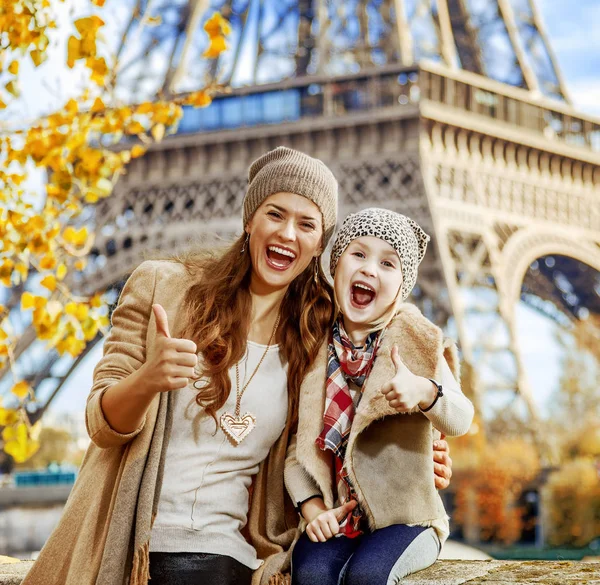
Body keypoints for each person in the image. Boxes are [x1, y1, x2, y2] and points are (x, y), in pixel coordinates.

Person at [22, 149, 452, 585]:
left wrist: (417, 446)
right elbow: (101, 423)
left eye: (306, 224)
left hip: (231, 558)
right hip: (134, 546)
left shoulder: (318, 336)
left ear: (320, 243)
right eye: (275, 214)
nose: (287, 233)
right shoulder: (162, 288)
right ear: (250, 220)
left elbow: (369, 384)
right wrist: (147, 380)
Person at [285, 208, 475, 585]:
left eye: (388, 263)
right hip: (340, 518)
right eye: (358, 254)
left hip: (407, 518)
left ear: (403, 286)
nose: (370, 269)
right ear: (334, 267)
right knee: (310, 572)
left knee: (369, 576)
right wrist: (314, 508)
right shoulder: (315, 351)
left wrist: (424, 391)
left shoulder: (416, 341)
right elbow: (298, 451)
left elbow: (461, 417)